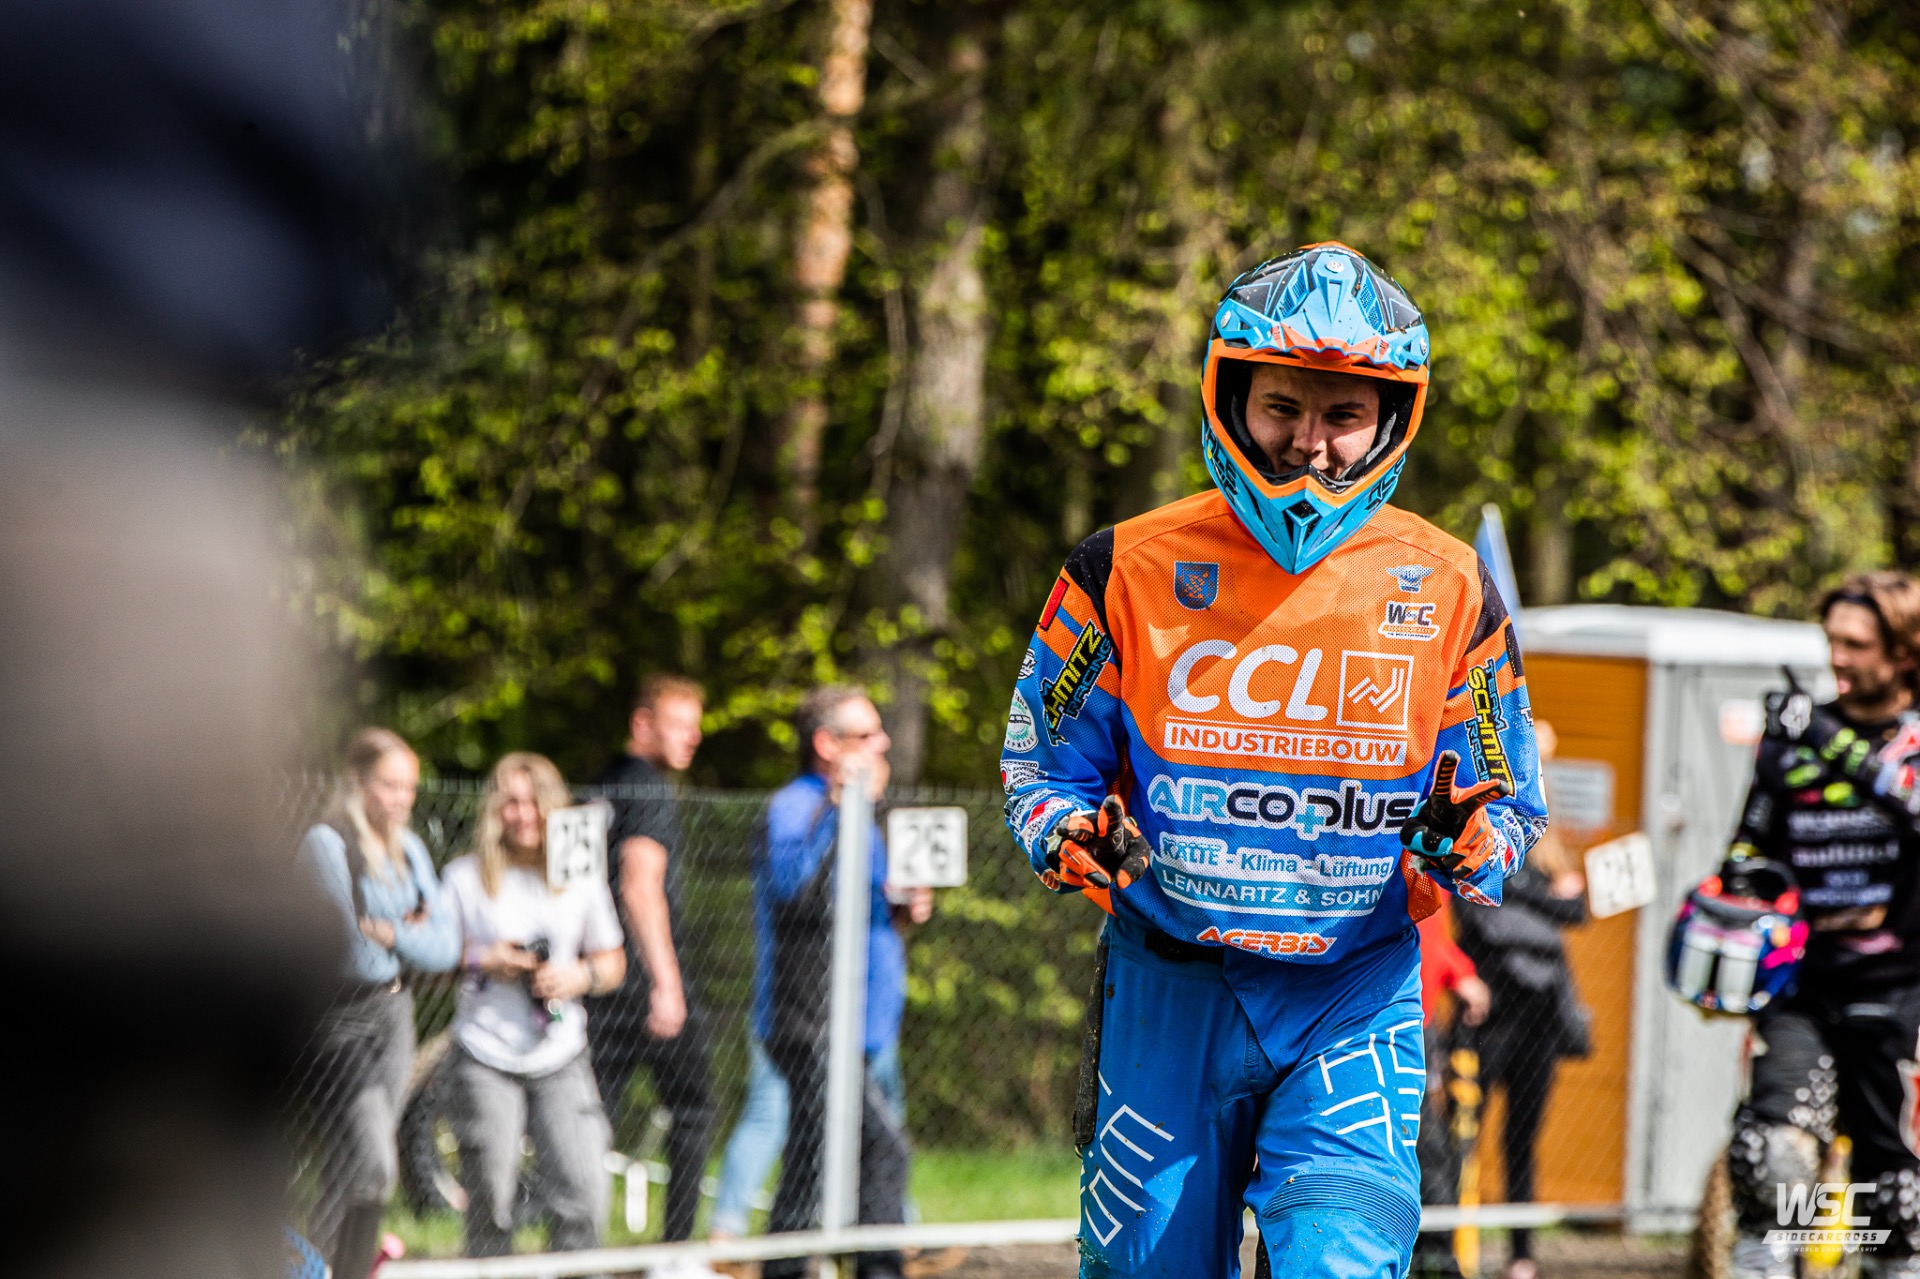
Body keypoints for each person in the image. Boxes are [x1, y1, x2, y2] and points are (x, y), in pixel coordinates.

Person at [1000, 242, 1548, 1278]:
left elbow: (1512, 807)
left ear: (1391, 419)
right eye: (1283, 408)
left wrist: (1469, 840)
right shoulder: (1123, 566)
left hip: (1355, 989)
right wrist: (1067, 832)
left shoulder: (1453, 586)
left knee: (1340, 1264)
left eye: (1343, 414)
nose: (1311, 443)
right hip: (1169, 986)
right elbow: (1039, 765)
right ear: (1230, 397)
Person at [1718, 571, 1920, 1279]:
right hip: (1802, 988)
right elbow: (1747, 853)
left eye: (1857, 645)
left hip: (1901, 993)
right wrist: (1728, 898)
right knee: (1770, 1158)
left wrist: (1826, 738)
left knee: (1896, 1201)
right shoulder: (1791, 740)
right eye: (1831, 640)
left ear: (1904, 652)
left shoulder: (1888, 738)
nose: (1837, 658)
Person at [755, 686, 923, 1279]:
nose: (883, 743)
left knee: (815, 1152)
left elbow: (865, 910)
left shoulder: (862, 815)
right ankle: (877, 1269)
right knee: (880, 1147)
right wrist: (838, 808)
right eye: (866, 734)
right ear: (827, 745)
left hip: (861, 1021)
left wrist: (904, 908)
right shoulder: (796, 807)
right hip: (810, 1019)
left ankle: (785, 1268)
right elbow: (792, 890)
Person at [441, 752, 627, 1258]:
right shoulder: (464, 878)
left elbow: (613, 961)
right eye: (512, 802)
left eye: (534, 802)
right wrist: (486, 960)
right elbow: (433, 961)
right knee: (491, 1198)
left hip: (560, 1053)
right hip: (485, 1053)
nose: (524, 814)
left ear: (553, 806)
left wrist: (578, 975)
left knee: (584, 1190)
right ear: (494, 810)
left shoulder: (579, 874)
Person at [300, 727, 459, 1279]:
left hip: (396, 1013)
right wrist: (409, 931)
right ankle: (326, 1268)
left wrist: (387, 932)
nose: (401, 799)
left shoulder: (409, 850)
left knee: (354, 1166)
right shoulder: (326, 843)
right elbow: (349, 954)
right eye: (389, 785)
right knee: (373, 1163)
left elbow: (447, 949)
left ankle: (320, 1268)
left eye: (409, 787)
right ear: (357, 781)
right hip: (339, 1020)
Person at [585, 675, 720, 1268]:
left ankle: (574, 1248)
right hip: (645, 974)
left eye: (696, 725)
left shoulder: (602, 785)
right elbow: (640, 885)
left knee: (597, 1116)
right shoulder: (646, 788)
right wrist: (665, 981)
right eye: (679, 724)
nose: (693, 736)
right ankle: (677, 1255)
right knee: (694, 1109)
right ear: (643, 725)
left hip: (600, 972)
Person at [1452, 719, 1587, 1279]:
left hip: (1540, 1017)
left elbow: (1577, 910)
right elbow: (1482, 910)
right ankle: (1446, 1251)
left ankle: (1522, 1257)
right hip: (1489, 1014)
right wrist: (1541, 897)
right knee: (1462, 1135)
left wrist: (1528, 893)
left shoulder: (1544, 849)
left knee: (1521, 1141)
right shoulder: (1477, 833)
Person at [1411, 896, 1490, 1279]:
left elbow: (1431, 936)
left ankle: (1436, 1251)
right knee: (1422, 1146)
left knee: (1431, 1147)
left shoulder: (1433, 875)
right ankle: (1429, 1252)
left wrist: (1458, 972)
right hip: (1395, 1021)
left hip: (1418, 1023)